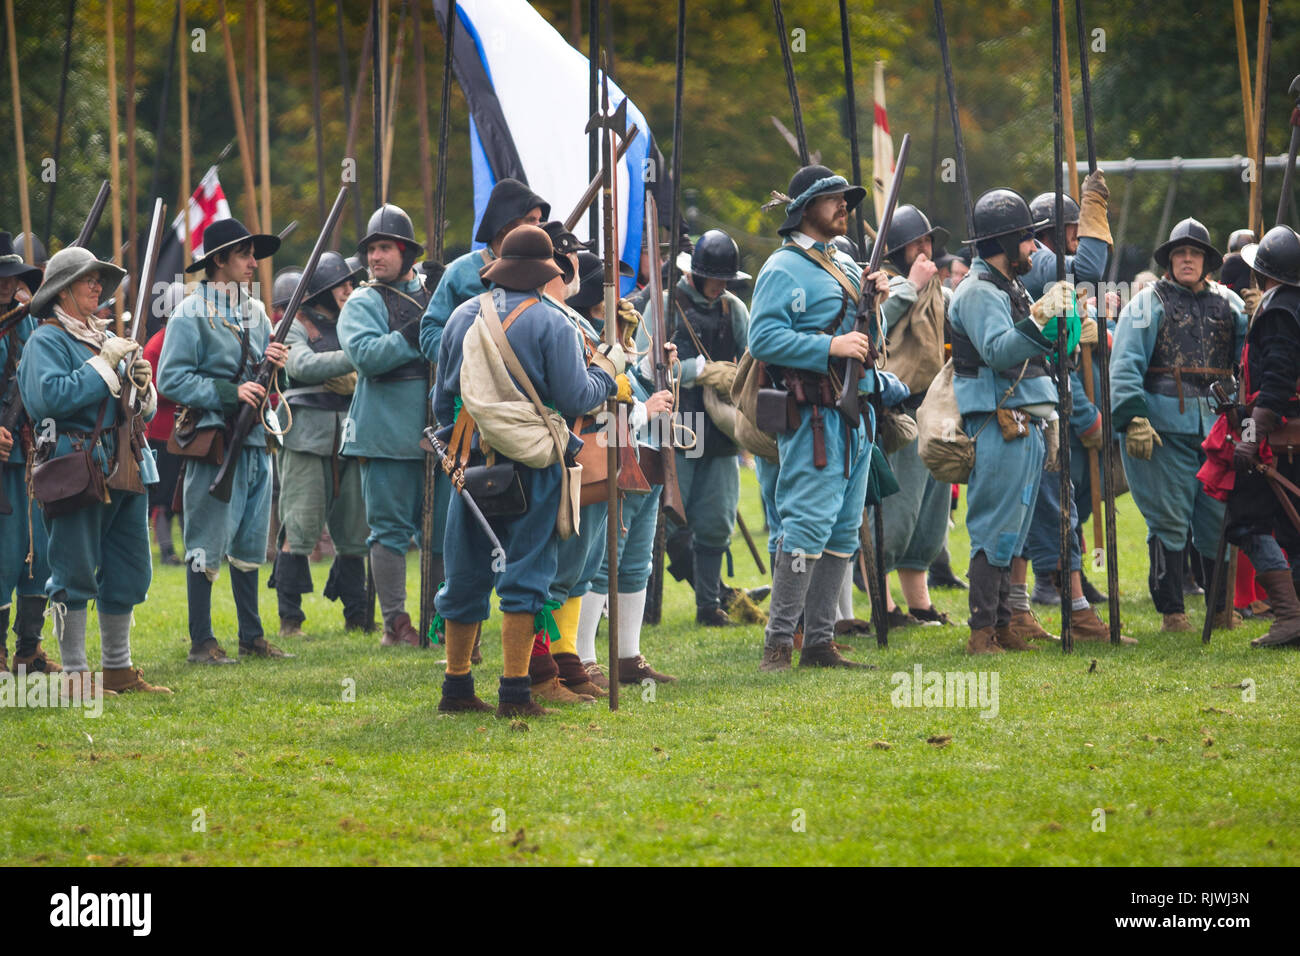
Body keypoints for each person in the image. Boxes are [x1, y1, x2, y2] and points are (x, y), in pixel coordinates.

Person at [431, 225, 620, 717]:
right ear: (543, 274)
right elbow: (578, 397)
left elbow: (440, 401)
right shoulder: (553, 322)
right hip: (533, 465)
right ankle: (515, 694)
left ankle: (456, 688)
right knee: (528, 572)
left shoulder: (460, 316)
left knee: (466, 572)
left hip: (469, 462)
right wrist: (607, 374)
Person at [748, 163, 894, 671]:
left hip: (856, 416)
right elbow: (762, 339)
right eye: (833, 198)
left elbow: (868, 339)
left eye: (846, 198)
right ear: (805, 208)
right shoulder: (781, 268)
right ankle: (777, 643)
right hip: (814, 416)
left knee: (841, 531)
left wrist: (874, 303)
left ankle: (820, 643)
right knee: (805, 527)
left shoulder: (849, 267)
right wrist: (829, 344)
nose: (844, 206)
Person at [948, 187, 1104, 654]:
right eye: (1027, 239)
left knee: (1013, 530)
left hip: (1025, 416)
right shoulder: (977, 292)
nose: (1036, 248)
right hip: (999, 418)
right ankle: (983, 633)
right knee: (994, 527)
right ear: (1005, 241)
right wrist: (1041, 322)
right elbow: (997, 351)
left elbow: (1038, 350)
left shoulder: (1007, 286)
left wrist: (1063, 324)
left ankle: (1004, 625)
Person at [20, 246, 169, 695]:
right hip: (75, 463)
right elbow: (48, 400)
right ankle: (74, 676)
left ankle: (118, 669)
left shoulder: (105, 337)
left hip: (124, 463)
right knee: (73, 572)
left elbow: (134, 410)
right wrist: (104, 365)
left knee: (129, 569)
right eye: (86, 278)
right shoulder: (46, 340)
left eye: (98, 278)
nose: (97, 285)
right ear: (62, 291)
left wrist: (142, 387)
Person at [158, 217, 291, 663]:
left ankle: (251, 636)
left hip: (256, 440)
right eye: (244, 255)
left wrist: (277, 362)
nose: (254, 263)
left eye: (254, 254)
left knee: (252, 542)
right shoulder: (189, 313)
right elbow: (170, 378)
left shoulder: (256, 312)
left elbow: (273, 379)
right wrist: (227, 393)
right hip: (216, 440)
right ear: (218, 261)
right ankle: (201, 640)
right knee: (205, 542)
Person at [1111, 218, 1248, 632]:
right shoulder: (1144, 304)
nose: (1187, 259)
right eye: (1180, 253)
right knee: (1169, 520)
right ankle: (1173, 611)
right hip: (1161, 429)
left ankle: (1220, 609)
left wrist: (1259, 316)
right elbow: (1125, 365)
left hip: (1217, 428)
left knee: (1217, 520)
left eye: (1195, 253)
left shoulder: (1233, 305)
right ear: (1170, 259)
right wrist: (1132, 417)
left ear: (1208, 261)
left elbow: (1249, 361)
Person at [1011, 176, 1116, 643]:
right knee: (1055, 507)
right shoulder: (1043, 261)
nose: (1077, 238)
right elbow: (1091, 267)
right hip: (1037, 396)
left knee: (1040, 507)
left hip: (1043, 395)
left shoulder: (1041, 263)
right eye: (1074, 229)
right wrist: (1095, 207)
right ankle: (1071, 606)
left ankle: (1019, 610)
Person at [570, 251, 677, 690]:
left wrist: (661, 368)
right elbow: (596, 403)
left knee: (636, 563)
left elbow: (639, 382)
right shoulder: (579, 336)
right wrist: (645, 410)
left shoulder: (621, 334)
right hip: (608, 460)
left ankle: (627, 655)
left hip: (645, 461)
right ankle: (585, 657)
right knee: (601, 560)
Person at [338, 204, 441, 647]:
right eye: (371, 249)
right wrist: (416, 333)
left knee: (440, 531)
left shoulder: (435, 292)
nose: (375, 257)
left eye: (385, 248)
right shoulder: (363, 300)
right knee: (390, 529)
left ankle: (442, 617)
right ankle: (396, 624)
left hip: (439, 429)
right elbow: (367, 355)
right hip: (385, 433)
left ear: (407, 252)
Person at [648, 229, 751, 626]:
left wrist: (727, 377)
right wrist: (698, 370)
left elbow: (747, 359)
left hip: (722, 425)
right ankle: (643, 601)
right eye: (717, 278)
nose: (721, 287)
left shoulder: (734, 310)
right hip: (678, 421)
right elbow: (650, 361)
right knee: (666, 516)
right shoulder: (664, 304)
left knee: (715, 520)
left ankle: (709, 604)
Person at [270, 252, 370, 636]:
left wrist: (350, 366)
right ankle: (290, 619)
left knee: (353, 531)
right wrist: (354, 359)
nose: (349, 290)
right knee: (300, 528)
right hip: (305, 436)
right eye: (341, 286)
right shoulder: (296, 324)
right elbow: (301, 366)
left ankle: (357, 614)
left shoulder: (354, 322)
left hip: (349, 435)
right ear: (323, 292)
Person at [876, 204, 953, 627]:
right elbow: (871, 328)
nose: (924, 249)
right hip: (896, 412)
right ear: (898, 251)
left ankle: (919, 602)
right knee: (897, 514)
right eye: (915, 243)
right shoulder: (885, 288)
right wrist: (907, 288)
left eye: (927, 241)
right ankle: (882, 604)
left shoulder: (942, 292)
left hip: (935, 410)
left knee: (929, 518)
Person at [1224, 226, 1300, 648]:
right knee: (1292, 531)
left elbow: (1275, 383)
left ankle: (1290, 616)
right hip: (1288, 431)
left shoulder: (1278, 311)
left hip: (1276, 434)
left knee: (1247, 522)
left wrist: (1250, 435)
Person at [0, 232, 58, 674]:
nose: (7, 284)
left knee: (35, 552)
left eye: (12, 277)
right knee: (4, 552)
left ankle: (29, 650)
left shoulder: (28, 322)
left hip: (28, 454)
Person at [420, 178, 549, 363]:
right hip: (468, 386)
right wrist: (471, 359)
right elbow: (430, 332)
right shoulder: (460, 271)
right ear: (506, 224)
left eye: (539, 220)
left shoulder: (543, 272)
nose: (539, 228)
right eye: (530, 220)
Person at [141, 281, 187, 567]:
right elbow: (154, 388)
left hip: (179, 430)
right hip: (160, 431)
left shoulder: (179, 340)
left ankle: (175, 549)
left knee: (175, 494)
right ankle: (164, 550)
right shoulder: (158, 344)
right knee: (159, 496)